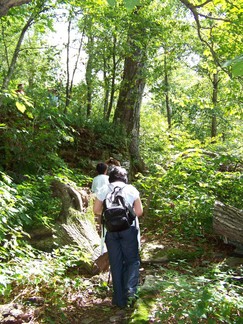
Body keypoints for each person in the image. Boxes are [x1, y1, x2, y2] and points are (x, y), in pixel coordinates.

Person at [93, 166, 143, 308]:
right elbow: (139, 212)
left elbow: (96, 210)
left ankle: (119, 299)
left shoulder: (104, 189)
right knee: (132, 261)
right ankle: (131, 293)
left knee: (115, 264)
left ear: (111, 177)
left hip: (111, 231)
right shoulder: (131, 189)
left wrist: (111, 215)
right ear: (124, 178)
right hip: (129, 229)